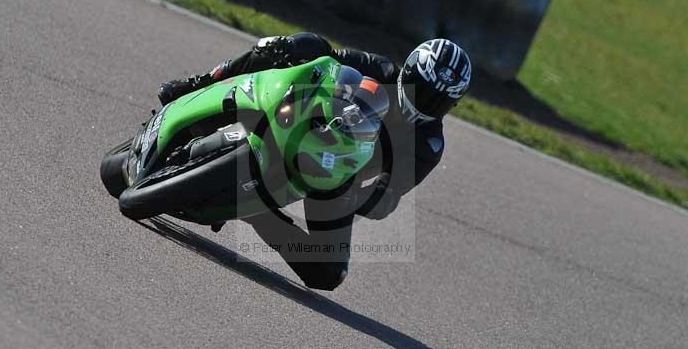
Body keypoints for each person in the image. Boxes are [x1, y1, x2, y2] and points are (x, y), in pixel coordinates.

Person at [157, 33, 471, 291]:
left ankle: (258, 213)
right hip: (303, 122)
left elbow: (390, 195)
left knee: (328, 274)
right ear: (409, 71)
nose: (425, 103)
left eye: (438, 101)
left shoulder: (428, 145)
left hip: (336, 178)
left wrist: (364, 198)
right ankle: (196, 86)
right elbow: (327, 57)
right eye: (423, 90)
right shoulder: (378, 68)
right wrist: (294, 47)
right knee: (282, 48)